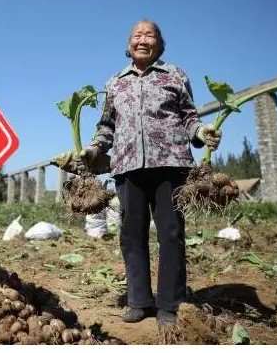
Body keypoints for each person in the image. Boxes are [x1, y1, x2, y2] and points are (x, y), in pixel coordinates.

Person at [78, 19, 221, 326]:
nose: (143, 39)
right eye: (137, 35)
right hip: (128, 166)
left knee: (170, 233)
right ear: (128, 44)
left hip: (171, 163)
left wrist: (202, 132)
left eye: (150, 35)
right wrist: (92, 151)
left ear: (160, 43)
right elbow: (106, 128)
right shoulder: (115, 82)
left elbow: (189, 118)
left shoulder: (175, 74)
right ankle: (139, 300)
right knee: (131, 234)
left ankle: (170, 304)